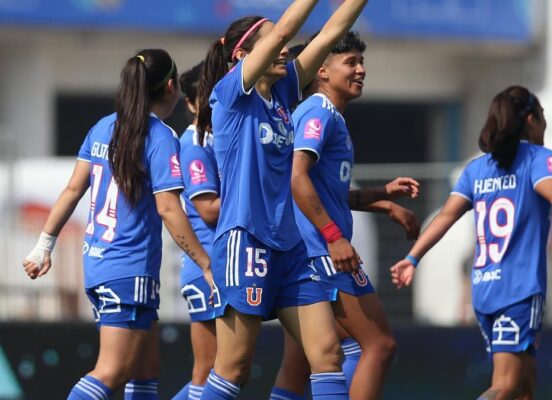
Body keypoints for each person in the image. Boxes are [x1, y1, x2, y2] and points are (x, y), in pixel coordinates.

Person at [193, 0, 368, 398]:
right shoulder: (232, 95)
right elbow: (288, 30)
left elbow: (329, 34)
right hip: (246, 240)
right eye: (271, 41)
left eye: (279, 40)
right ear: (242, 56)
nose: (283, 49)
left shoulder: (284, 91)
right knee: (233, 368)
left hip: (290, 248)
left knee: (328, 354)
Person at [22, 49, 213, 400]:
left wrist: (43, 246)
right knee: (113, 370)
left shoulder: (103, 127)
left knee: (145, 369)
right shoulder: (160, 136)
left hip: (100, 264)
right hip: (128, 268)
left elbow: (72, 190)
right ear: (171, 87)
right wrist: (205, 263)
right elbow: (169, 209)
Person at [391, 86, 552, 400]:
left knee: (525, 385)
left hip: (485, 291)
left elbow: (446, 216)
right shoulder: (537, 158)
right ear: (530, 120)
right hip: (518, 290)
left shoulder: (477, 169)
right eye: (542, 117)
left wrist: (413, 257)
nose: (544, 125)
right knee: (505, 386)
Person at [270, 31, 420, 400]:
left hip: (305, 252)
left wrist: (383, 199)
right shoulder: (318, 112)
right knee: (378, 345)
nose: (361, 70)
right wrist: (335, 237)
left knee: (300, 362)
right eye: (350, 62)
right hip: (321, 253)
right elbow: (296, 176)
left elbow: (326, 193)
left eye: (362, 62)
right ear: (321, 70)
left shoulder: (325, 115)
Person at [171, 62, 221, 400]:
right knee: (211, 372)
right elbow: (208, 211)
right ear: (190, 104)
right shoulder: (195, 142)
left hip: (222, 266)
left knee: (225, 371)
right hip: (207, 269)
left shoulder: (223, 136)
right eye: (204, 96)